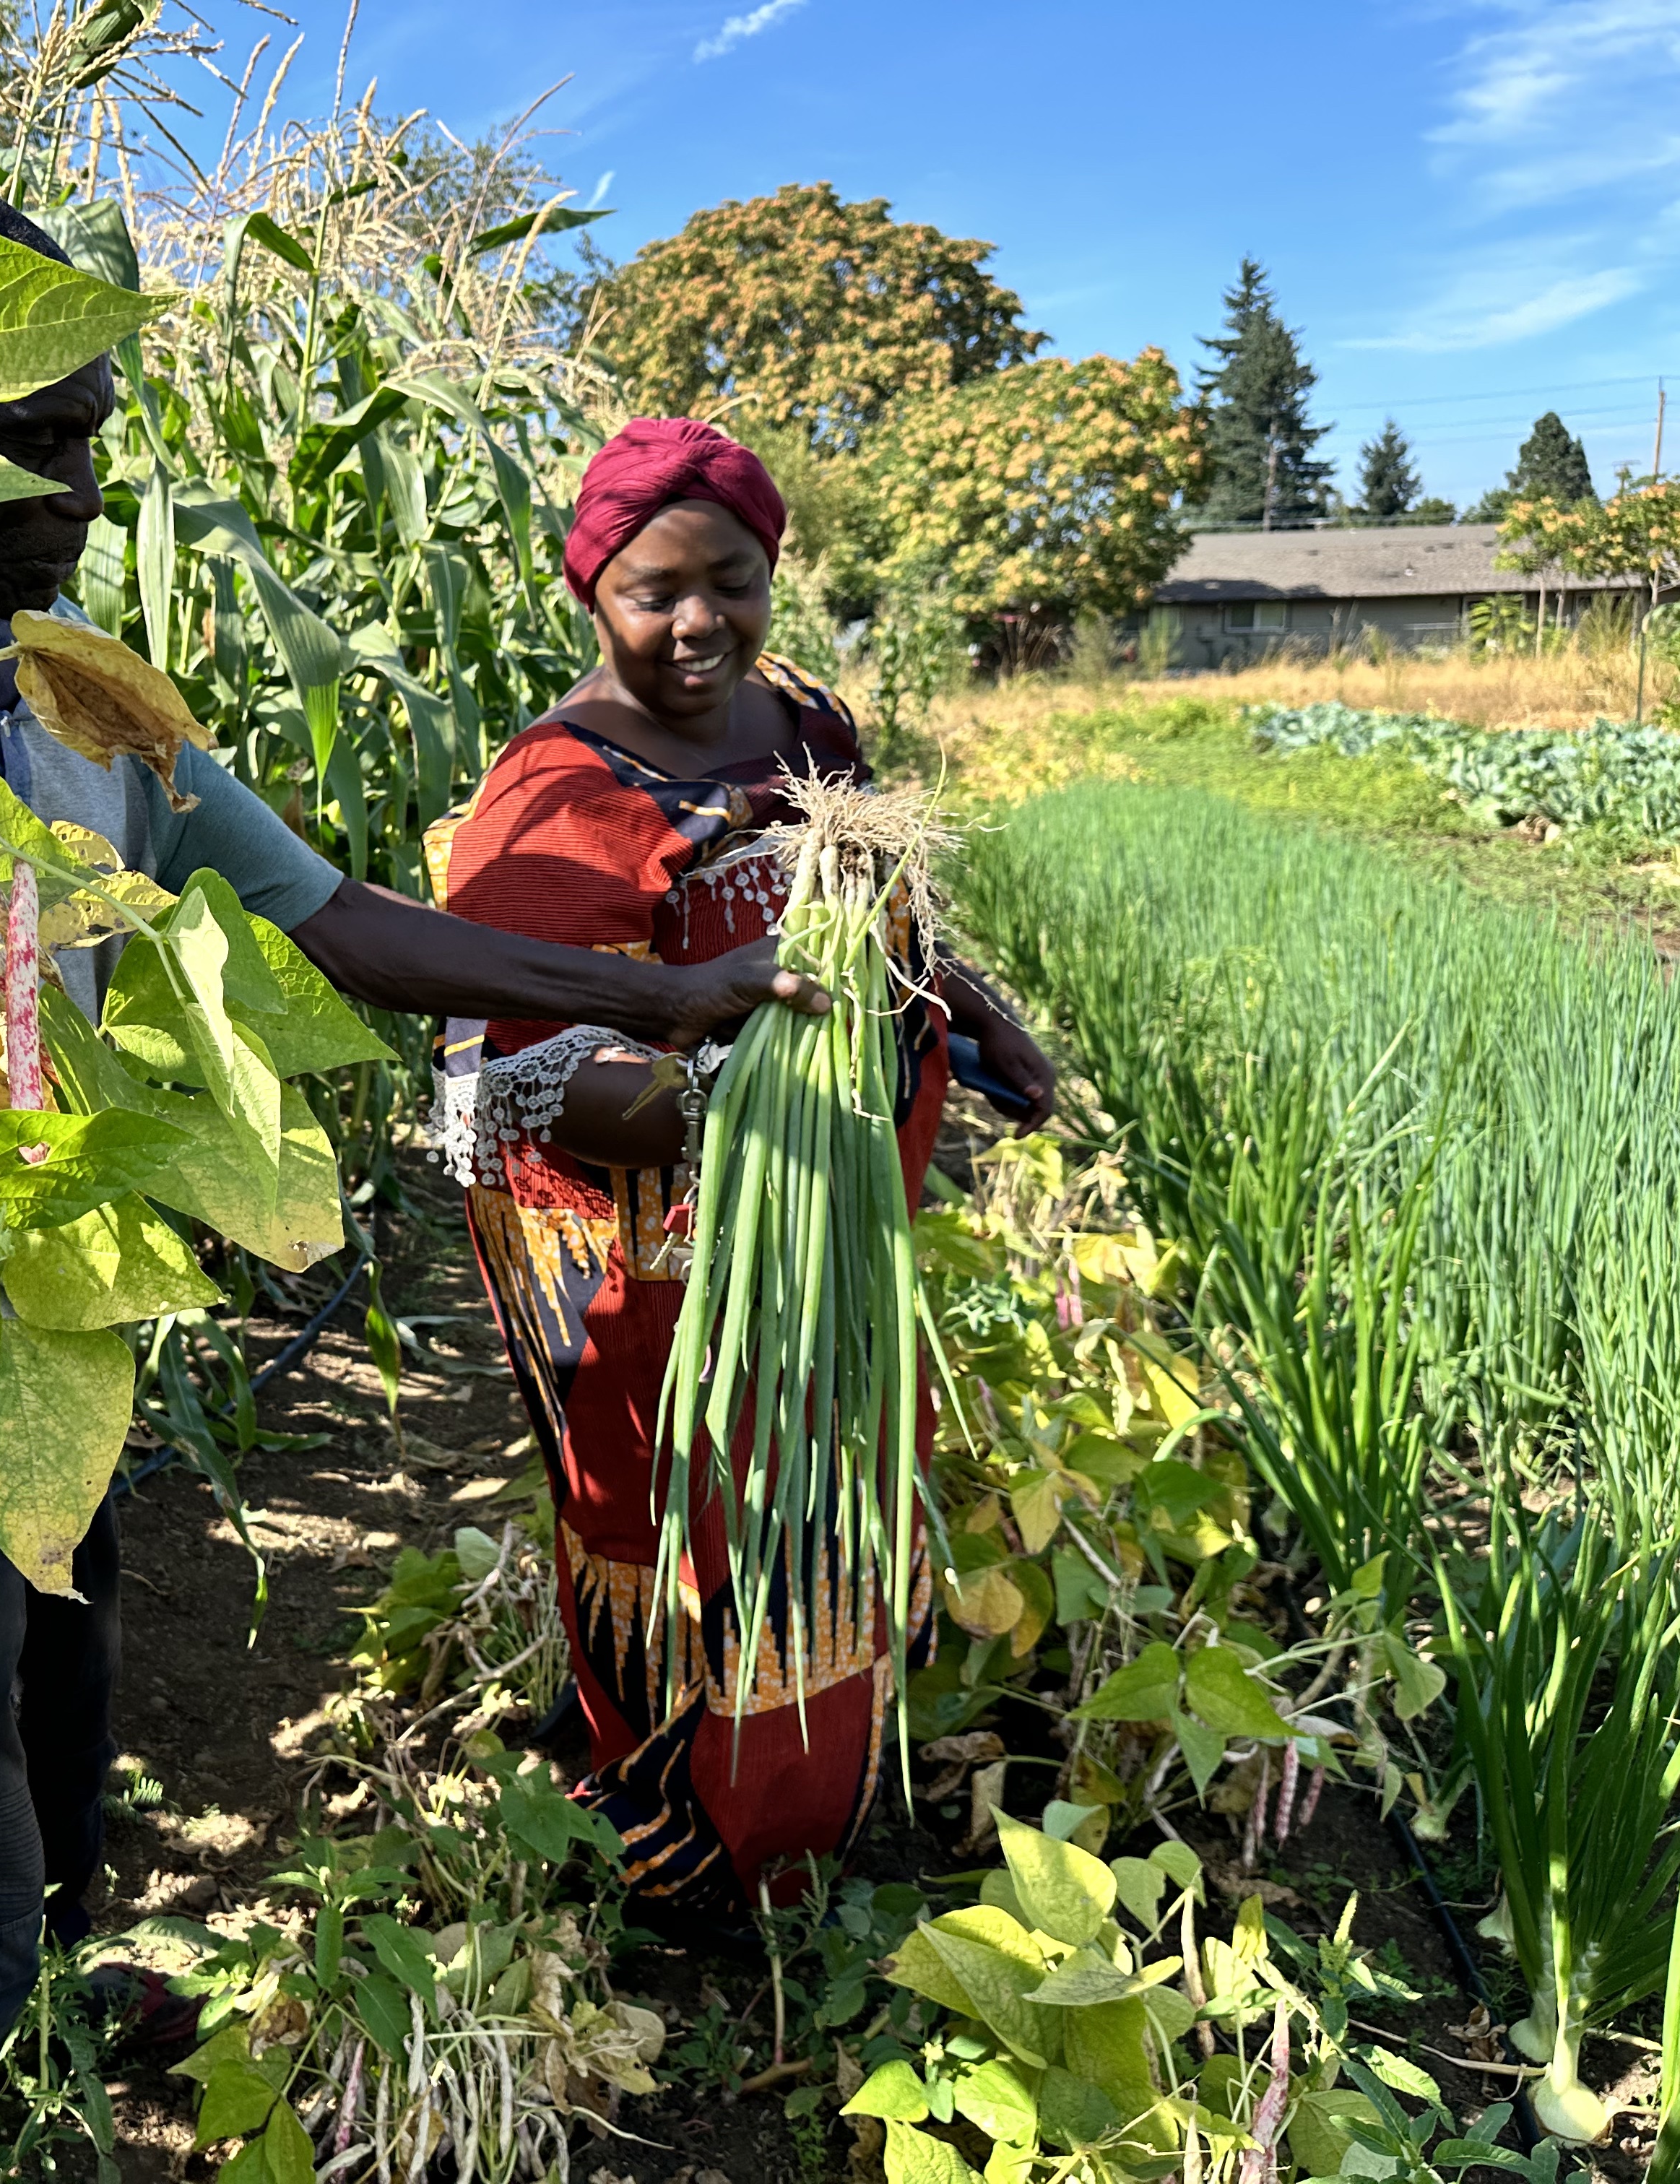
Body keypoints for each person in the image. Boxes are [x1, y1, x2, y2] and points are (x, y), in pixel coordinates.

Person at [0, 183, 826, 2184]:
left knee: (58, 1740)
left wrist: (661, 994)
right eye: (32, 435)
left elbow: (331, 914)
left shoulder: (70, 676)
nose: (85, 487)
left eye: (96, 431)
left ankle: (47, 2030)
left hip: (50, 1347)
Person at [431, 419, 1055, 1933]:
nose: (700, 619)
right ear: (592, 589)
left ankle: (800, 1838)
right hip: (662, 1284)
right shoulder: (558, 796)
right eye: (656, 590)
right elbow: (523, 1079)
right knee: (689, 1540)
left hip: (831, 1244)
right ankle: (680, 1866)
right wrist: (755, 1103)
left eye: (734, 580)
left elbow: (868, 919)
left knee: (826, 1509)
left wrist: (965, 1013)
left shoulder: (807, 726)